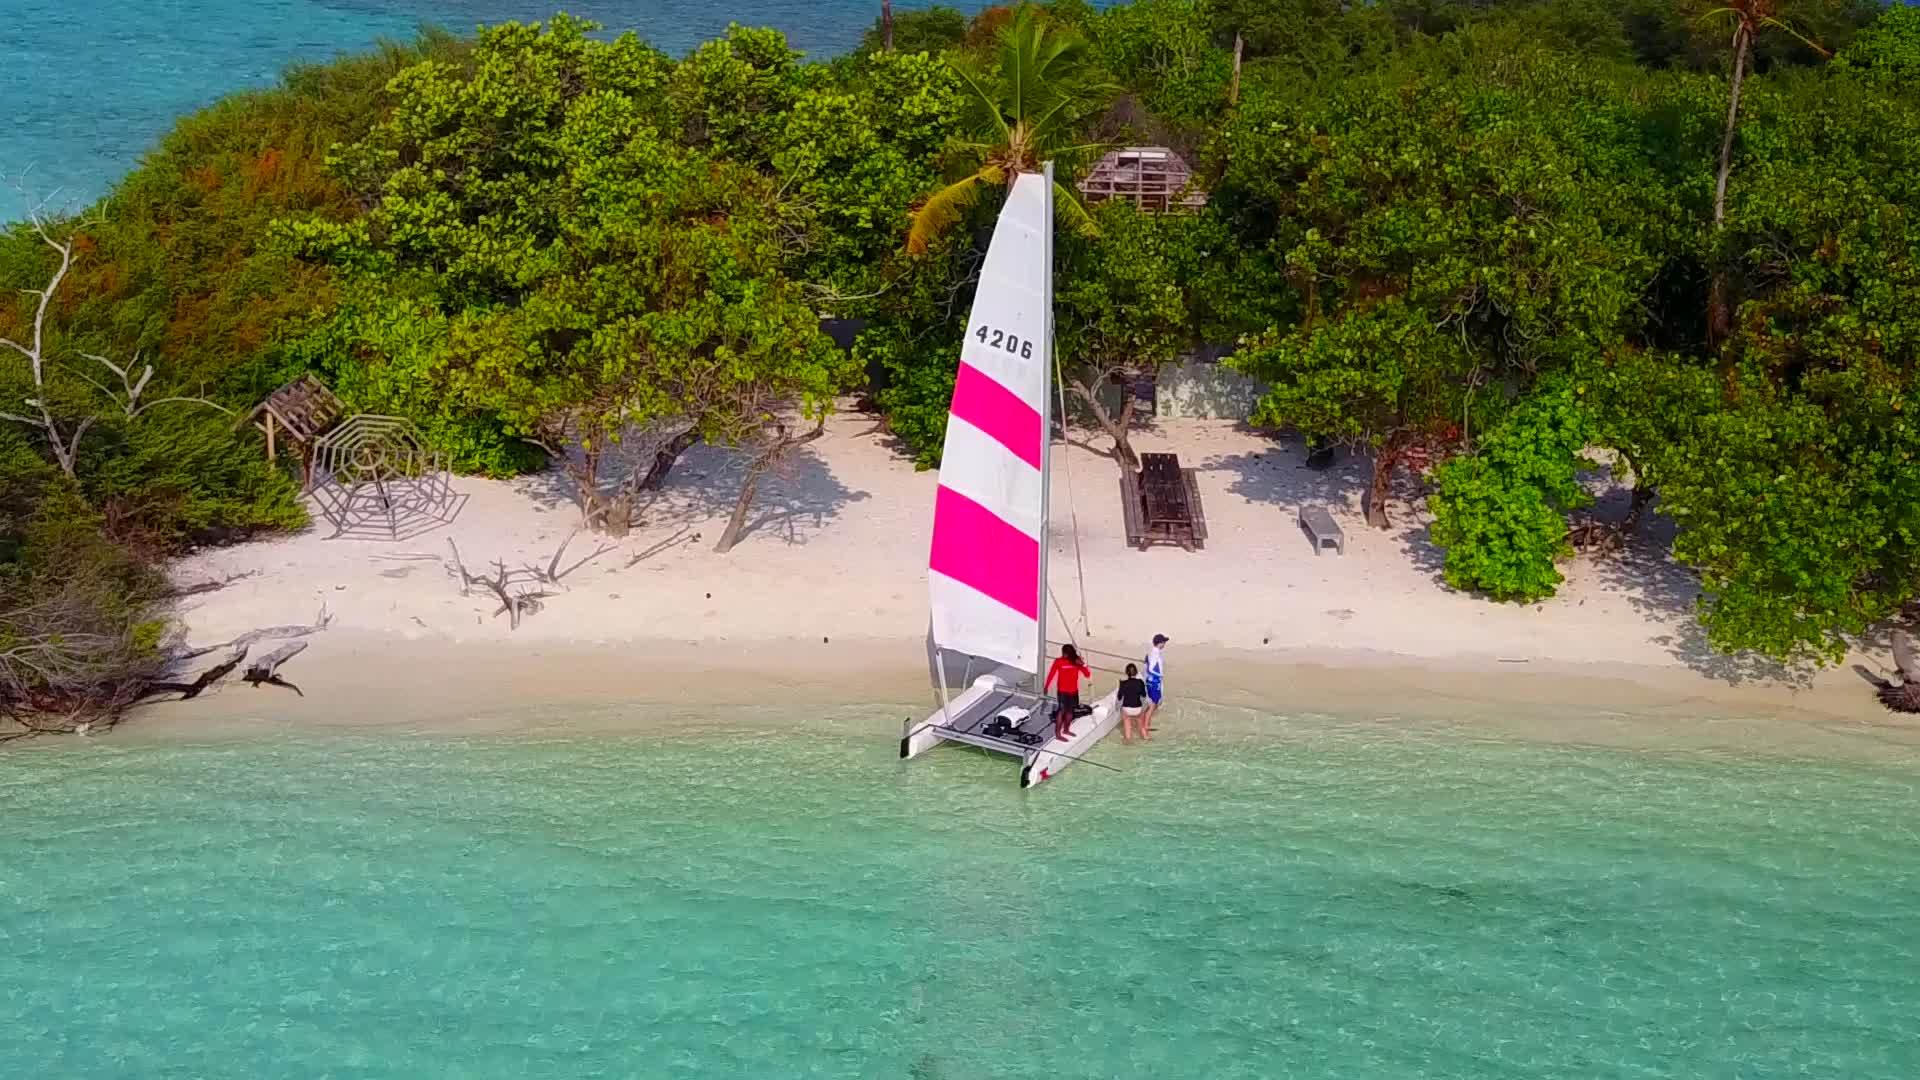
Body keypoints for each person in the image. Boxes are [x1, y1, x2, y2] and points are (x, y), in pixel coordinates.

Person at [1043, 644, 1092, 741]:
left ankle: (1066, 730)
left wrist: (1083, 664)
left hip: (1073, 691)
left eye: (1064, 653)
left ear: (1067, 653)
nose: (1062, 654)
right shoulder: (1058, 661)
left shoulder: (1076, 662)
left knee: (1070, 712)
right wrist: (1046, 686)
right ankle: (1057, 734)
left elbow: (1087, 674)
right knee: (1061, 712)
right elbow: (1051, 674)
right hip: (1062, 692)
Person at [1141, 634, 1168, 739]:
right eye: (1164, 642)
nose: (1165, 644)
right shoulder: (1155, 653)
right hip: (1154, 682)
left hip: (1154, 681)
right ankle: (1145, 728)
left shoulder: (1155, 652)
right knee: (1153, 705)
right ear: (1160, 643)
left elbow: (1148, 663)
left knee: (1153, 704)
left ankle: (1145, 723)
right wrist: (1160, 675)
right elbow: (1151, 669)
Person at [1117, 663, 1149, 744]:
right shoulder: (1140, 682)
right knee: (1142, 727)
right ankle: (1146, 738)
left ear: (1126, 673)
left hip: (1127, 709)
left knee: (1128, 729)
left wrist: (1120, 685)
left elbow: (1119, 697)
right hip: (1137, 708)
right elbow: (1144, 695)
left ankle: (1128, 741)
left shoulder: (1123, 683)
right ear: (1136, 672)